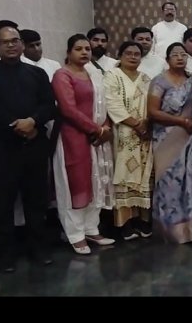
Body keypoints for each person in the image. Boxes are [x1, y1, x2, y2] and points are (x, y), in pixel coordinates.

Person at [0, 21, 57, 272]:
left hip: (34, 146)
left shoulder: (36, 73)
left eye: (15, 40)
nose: (11, 45)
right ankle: (6, 255)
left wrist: (33, 121)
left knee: (36, 202)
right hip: (2, 148)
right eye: (5, 42)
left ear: (21, 43)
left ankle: (38, 249)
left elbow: (48, 105)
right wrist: (17, 125)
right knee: (4, 203)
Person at [51, 35, 115, 255]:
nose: (84, 52)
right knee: (76, 184)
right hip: (73, 136)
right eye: (78, 49)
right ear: (68, 52)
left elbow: (104, 104)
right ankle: (75, 233)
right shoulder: (62, 75)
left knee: (95, 182)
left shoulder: (93, 73)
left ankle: (91, 228)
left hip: (96, 137)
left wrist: (105, 126)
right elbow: (68, 109)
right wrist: (97, 129)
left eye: (87, 48)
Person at [148, 43, 192, 244]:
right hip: (166, 140)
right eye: (175, 54)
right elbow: (153, 112)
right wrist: (180, 121)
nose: (180, 57)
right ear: (167, 59)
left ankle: (190, 231)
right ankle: (170, 232)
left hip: (189, 138)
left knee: (191, 182)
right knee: (169, 185)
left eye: (183, 54)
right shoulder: (159, 81)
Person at [104, 41, 154, 241]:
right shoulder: (112, 75)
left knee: (144, 176)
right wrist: (135, 124)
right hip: (123, 132)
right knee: (124, 175)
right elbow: (112, 103)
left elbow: (153, 103)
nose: (133, 57)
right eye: (128, 53)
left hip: (145, 134)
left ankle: (143, 220)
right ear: (120, 55)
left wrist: (147, 123)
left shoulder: (146, 78)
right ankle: (125, 223)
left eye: (137, 54)